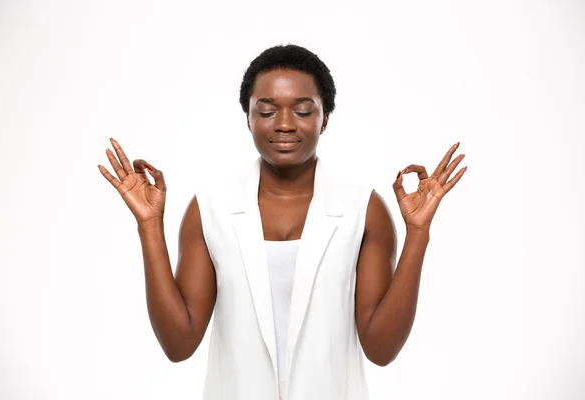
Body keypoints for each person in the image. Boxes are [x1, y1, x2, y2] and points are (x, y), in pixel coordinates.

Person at [98, 44, 467, 400]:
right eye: (267, 110)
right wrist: (149, 225)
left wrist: (417, 233)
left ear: (324, 120)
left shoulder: (363, 208)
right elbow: (178, 344)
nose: (285, 124)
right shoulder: (210, 207)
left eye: (304, 111)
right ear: (248, 118)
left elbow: (381, 349)